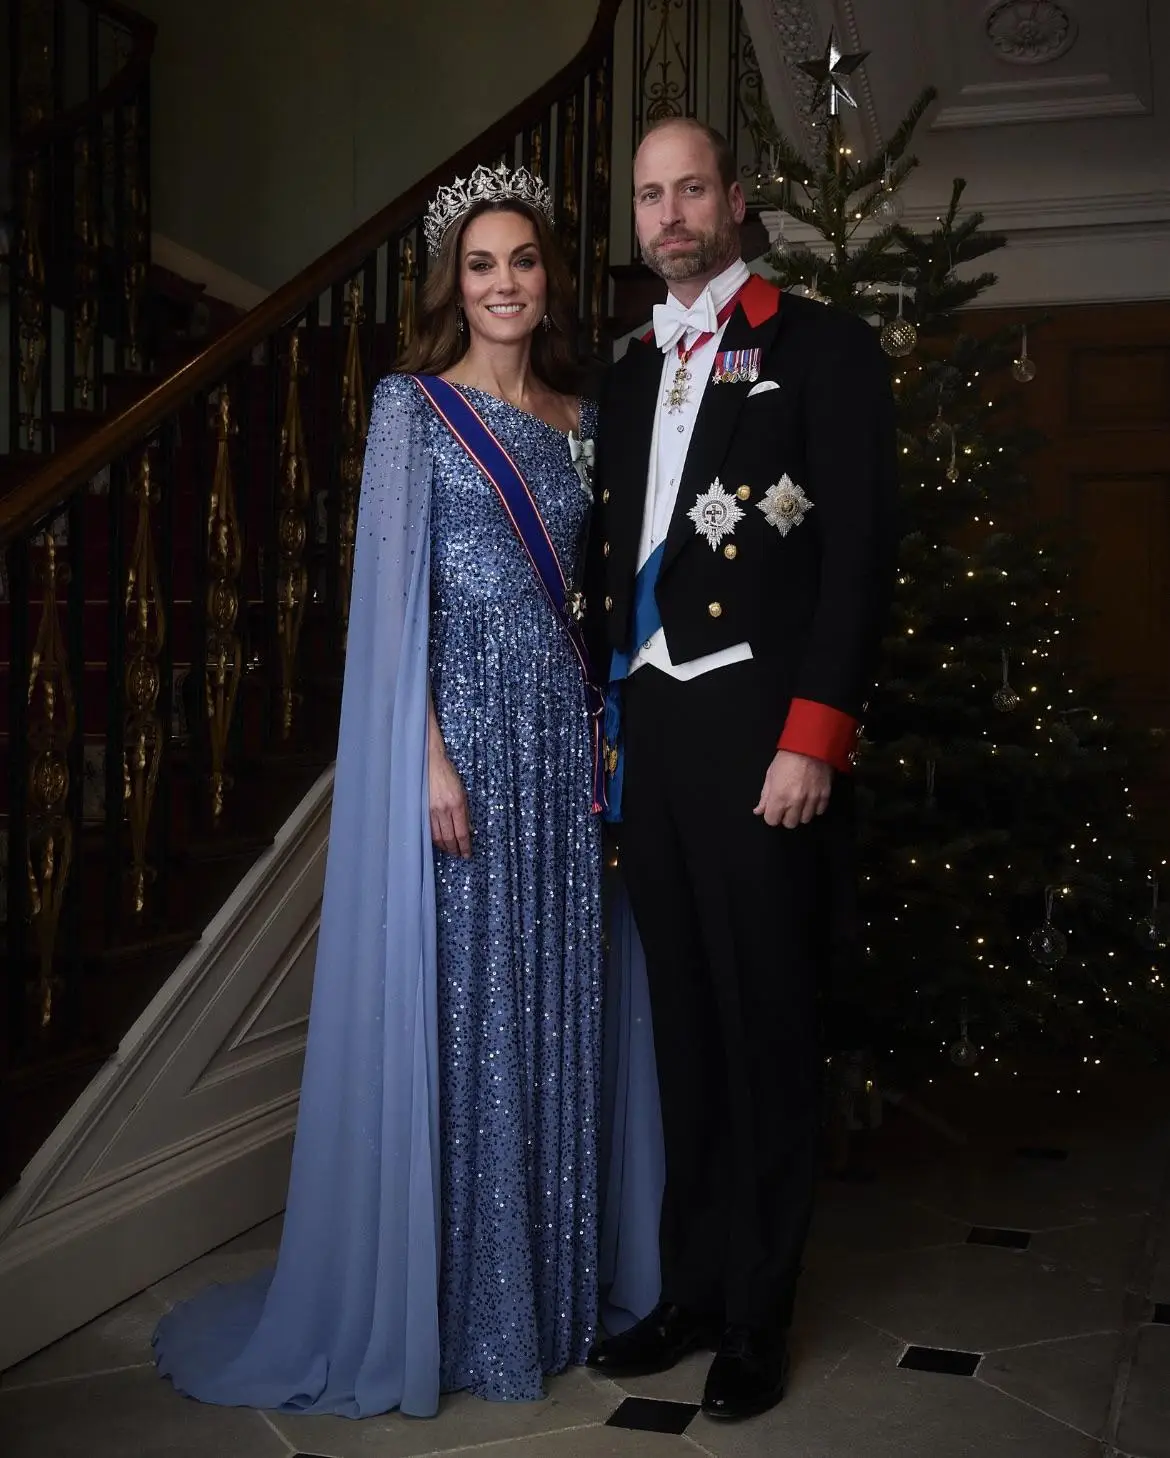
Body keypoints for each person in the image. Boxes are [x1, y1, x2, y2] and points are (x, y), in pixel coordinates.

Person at [153, 163, 658, 1419]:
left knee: (559, 1001)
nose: (504, 285)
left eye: (524, 263)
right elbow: (390, 606)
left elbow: (605, 596)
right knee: (469, 1008)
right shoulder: (412, 411)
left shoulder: (584, 420)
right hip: (462, 749)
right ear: (456, 285)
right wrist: (424, 752)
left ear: (549, 281)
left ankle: (545, 1295)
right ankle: (462, 1303)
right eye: (481, 266)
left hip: (558, 744)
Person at [584, 118, 899, 1422]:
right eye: (649, 195)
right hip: (652, 735)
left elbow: (858, 551)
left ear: (735, 199)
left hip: (762, 736)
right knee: (686, 1033)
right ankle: (695, 1287)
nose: (668, 214)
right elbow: (614, 563)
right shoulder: (619, 371)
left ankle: (759, 1313)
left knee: (766, 1027)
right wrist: (609, 719)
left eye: (689, 188)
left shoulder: (818, 348)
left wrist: (811, 733)